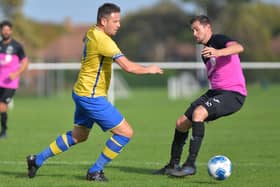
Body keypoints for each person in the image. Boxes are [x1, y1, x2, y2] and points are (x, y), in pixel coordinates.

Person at [26, 3, 163, 182]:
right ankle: (95, 171)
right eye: (115, 21)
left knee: (79, 135)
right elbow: (128, 67)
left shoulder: (92, 32)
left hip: (81, 91)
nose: (118, 25)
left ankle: (37, 160)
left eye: (119, 21)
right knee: (125, 133)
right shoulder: (104, 41)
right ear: (103, 21)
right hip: (91, 96)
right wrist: (149, 69)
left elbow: (86, 39)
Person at [153, 15, 247, 177]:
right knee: (181, 123)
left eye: (197, 29)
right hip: (215, 92)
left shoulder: (218, 40)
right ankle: (172, 165)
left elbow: (238, 48)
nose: (194, 34)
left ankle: (190, 165)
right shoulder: (205, 53)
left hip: (233, 94)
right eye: (193, 30)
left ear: (208, 27)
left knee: (199, 113)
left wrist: (218, 51)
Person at [0, 20, 29, 138]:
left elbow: (25, 62)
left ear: (11, 31)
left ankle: (4, 131)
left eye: (8, 30)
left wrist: (16, 73)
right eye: (4, 30)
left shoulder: (17, 46)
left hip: (10, 84)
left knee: (2, 105)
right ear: (1, 31)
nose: (6, 32)